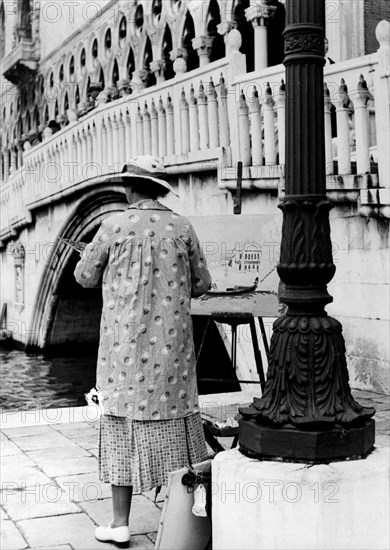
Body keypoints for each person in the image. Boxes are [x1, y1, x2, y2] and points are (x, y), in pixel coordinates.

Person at [74, 155, 212, 546]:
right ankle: (186, 517)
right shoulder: (182, 226)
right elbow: (202, 283)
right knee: (177, 425)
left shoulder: (112, 225)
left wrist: (93, 257)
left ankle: (120, 522)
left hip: (123, 351)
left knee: (120, 427)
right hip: (172, 353)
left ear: (128, 187)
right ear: (160, 189)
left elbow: (84, 277)